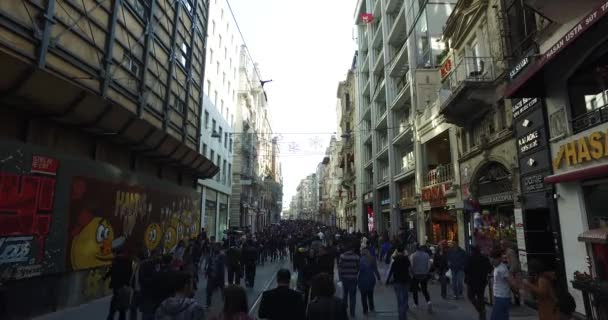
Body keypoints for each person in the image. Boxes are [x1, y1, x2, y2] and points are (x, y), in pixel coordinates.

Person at [104, 246, 133, 320]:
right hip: (124, 286)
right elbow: (130, 273)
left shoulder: (115, 261)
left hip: (117, 286)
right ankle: (121, 318)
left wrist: (104, 277)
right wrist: (128, 283)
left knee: (114, 304)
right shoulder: (128, 261)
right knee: (122, 307)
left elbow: (111, 271)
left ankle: (111, 317)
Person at [464, 245, 492, 320]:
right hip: (482, 282)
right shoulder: (484, 258)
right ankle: (482, 316)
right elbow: (490, 269)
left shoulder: (469, 258)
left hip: (471, 282)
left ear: (472, 251)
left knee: (470, 296)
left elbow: (465, 269)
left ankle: (480, 309)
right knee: (480, 297)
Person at [490, 248, 517, 320]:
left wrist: (516, 291)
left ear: (499, 258)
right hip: (499, 297)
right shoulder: (497, 267)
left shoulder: (502, 269)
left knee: (495, 317)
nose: (491, 261)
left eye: (493, 259)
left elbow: (511, 281)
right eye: (491, 258)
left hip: (502, 297)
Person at [386, 245, 411, 320]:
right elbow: (410, 269)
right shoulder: (406, 260)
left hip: (397, 282)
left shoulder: (395, 260)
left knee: (399, 300)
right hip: (406, 281)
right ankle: (404, 315)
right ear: (403, 251)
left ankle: (401, 316)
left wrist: (387, 281)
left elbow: (391, 271)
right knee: (405, 298)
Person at [338, 242, 360, 318]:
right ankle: (352, 312)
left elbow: (340, 267)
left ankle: (344, 311)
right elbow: (358, 268)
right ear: (353, 249)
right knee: (353, 296)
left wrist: (340, 277)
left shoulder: (342, 256)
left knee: (345, 295)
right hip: (353, 278)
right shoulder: (356, 257)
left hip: (345, 278)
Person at [358, 248, 381, 315]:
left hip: (362, 279)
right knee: (370, 295)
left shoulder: (359, 259)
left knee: (363, 296)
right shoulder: (372, 259)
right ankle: (371, 307)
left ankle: (365, 310)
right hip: (371, 279)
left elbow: (357, 270)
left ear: (362, 253)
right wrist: (379, 278)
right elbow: (375, 269)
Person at [410, 245, 432, 313]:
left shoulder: (413, 255)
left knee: (415, 290)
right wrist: (426, 272)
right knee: (424, 289)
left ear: (415, 249)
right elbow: (429, 265)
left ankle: (416, 303)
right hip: (424, 274)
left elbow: (411, 265)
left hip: (416, 274)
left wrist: (412, 273)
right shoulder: (426, 255)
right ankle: (428, 301)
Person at [501, 240, 522, 306]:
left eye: (502, 244)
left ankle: (517, 300)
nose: (501, 246)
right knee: (511, 287)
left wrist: (510, 272)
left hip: (513, 272)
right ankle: (515, 300)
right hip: (509, 272)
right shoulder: (504, 252)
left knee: (514, 287)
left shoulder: (510, 251)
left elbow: (514, 263)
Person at [206, 244, 226, 309]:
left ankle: (226, 303)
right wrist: (207, 273)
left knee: (222, 290)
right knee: (209, 290)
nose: (215, 249)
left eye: (217, 247)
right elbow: (209, 265)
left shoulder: (222, 256)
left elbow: (222, 265)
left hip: (219, 276)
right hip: (211, 275)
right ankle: (208, 304)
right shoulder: (211, 256)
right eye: (214, 247)